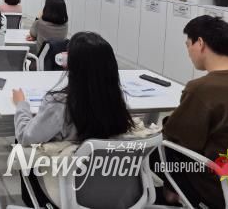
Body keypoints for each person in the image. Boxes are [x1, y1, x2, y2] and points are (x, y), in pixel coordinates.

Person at [13, 32, 136, 207]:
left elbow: (26, 137)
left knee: (20, 140)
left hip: (65, 187)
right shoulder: (116, 100)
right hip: (112, 188)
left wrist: (21, 105)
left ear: (72, 64)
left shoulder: (60, 104)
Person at [156, 16, 228, 208]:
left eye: (188, 45)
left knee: (156, 151)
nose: (188, 52)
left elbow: (177, 137)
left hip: (219, 185)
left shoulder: (201, 88)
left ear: (200, 43)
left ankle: (171, 194)